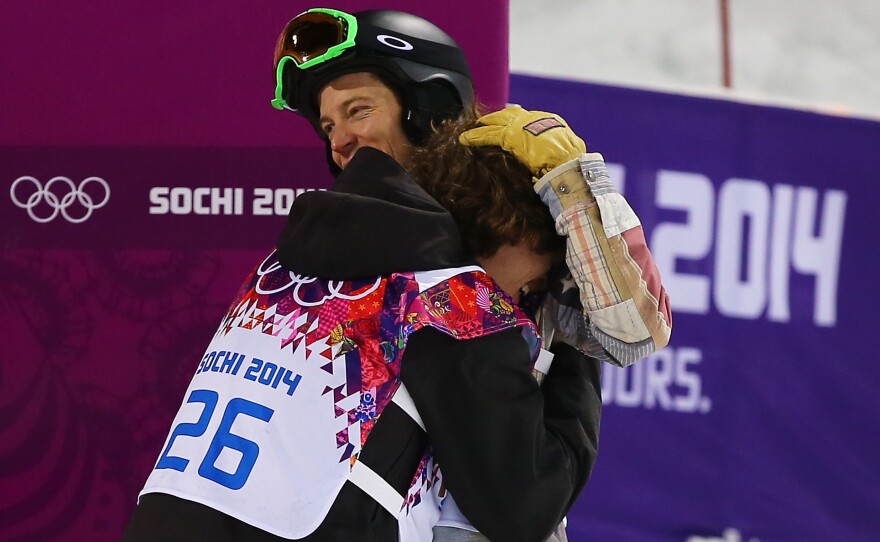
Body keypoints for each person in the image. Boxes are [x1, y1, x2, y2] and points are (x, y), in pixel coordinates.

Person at [122, 7, 670, 542]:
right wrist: (568, 331)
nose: (337, 141)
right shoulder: (443, 291)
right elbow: (522, 504)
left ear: (428, 111)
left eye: (357, 112)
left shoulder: (283, 264)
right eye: (329, 124)